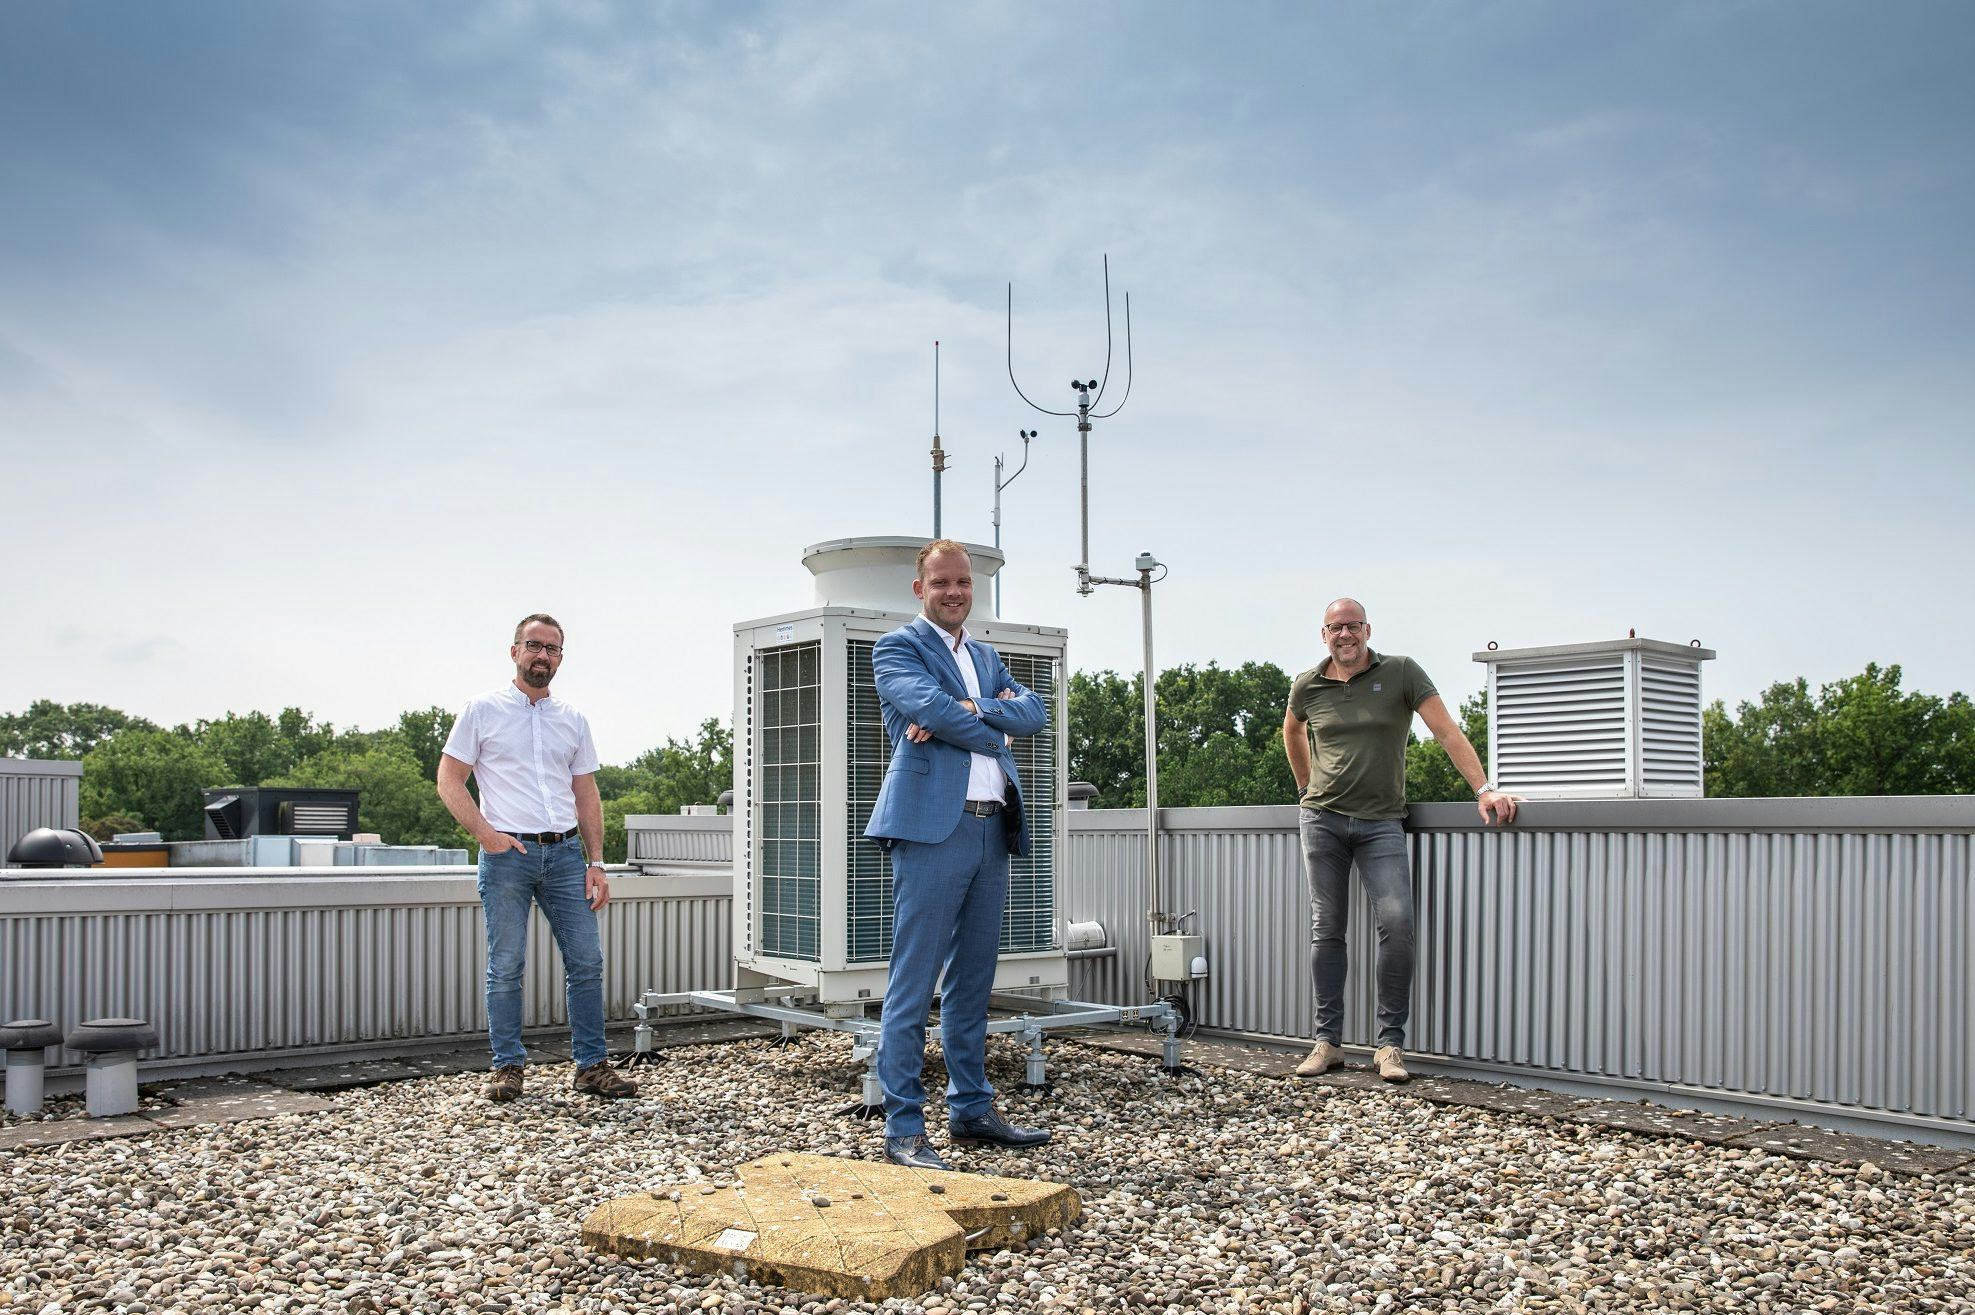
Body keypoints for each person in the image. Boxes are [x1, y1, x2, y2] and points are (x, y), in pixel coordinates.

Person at [862, 540, 1051, 1171]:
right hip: (930, 833)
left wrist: (969, 712)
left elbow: (1036, 713)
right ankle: (904, 1129)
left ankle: (971, 1109)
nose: (954, 592)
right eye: (941, 582)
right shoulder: (896, 648)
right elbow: (929, 708)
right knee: (912, 983)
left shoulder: (987, 656)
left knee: (973, 978)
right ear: (919, 588)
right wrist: (982, 720)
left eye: (963, 582)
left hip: (990, 829)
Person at [1281, 597, 1517, 1084]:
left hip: (1381, 823)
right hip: (1322, 820)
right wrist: (1306, 790)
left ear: (1367, 629)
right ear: (1322, 634)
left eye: (1352, 626)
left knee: (1397, 925)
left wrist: (1484, 789)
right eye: (1334, 628)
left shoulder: (1403, 672)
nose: (1344, 635)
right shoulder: (1308, 684)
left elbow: (1446, 731)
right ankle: (1327, 1042)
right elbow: (1292, 732)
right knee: (1327, 929)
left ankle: (1389, 1045)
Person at [436, 613, 636, 1102]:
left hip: (567, 856)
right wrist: (487, 835)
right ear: (514, 651)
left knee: (587, 962)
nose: (542, 655)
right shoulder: (481, 710)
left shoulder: (572, 720)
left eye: (552, 649)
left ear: (560, 658)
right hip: (508, 855)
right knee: (506, 965)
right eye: (534, 645)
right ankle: (507, 1067)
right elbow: (448, 780)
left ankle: (591, 1067)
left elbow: (586, 793)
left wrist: (597, 861)